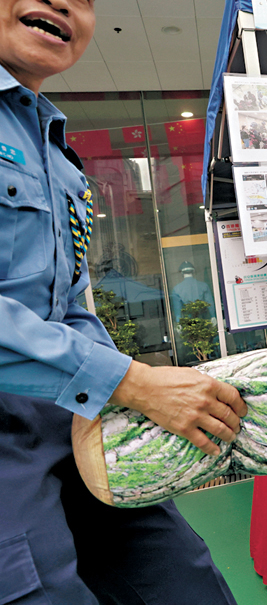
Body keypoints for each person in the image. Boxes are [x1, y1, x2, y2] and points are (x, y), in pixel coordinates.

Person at [0, 2, 247, 603]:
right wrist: (131, 383)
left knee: (184, 581)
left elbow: (71, 305)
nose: (63, 4)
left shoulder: (53, 148)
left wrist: (143, 400)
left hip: (74, 418)